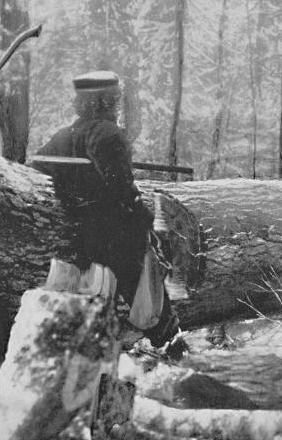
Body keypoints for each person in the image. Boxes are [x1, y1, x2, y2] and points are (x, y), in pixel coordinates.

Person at [35, 70, 178, 347]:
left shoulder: (64, 136)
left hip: (80, 235)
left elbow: (36, 168)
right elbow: (122, 189)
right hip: (115, 234)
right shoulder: (110, 134)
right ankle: (172, 346)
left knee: (94, 300)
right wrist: (146, 218)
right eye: (114, 100)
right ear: (108, 101)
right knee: (148, 290)